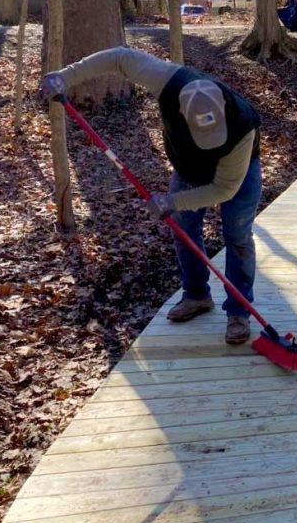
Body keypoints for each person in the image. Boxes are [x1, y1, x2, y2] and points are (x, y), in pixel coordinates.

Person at [41, 47, 261, 346]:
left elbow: (224, 190)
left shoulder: (242, 124)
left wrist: (172, 202)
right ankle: (197, 296)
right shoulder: (166, 81)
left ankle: (239, 311)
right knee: (183, 230)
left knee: (236, 235)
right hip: (188, 167)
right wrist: (66, 77)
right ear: (182, 113)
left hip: (236, 172)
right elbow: (119, 57)